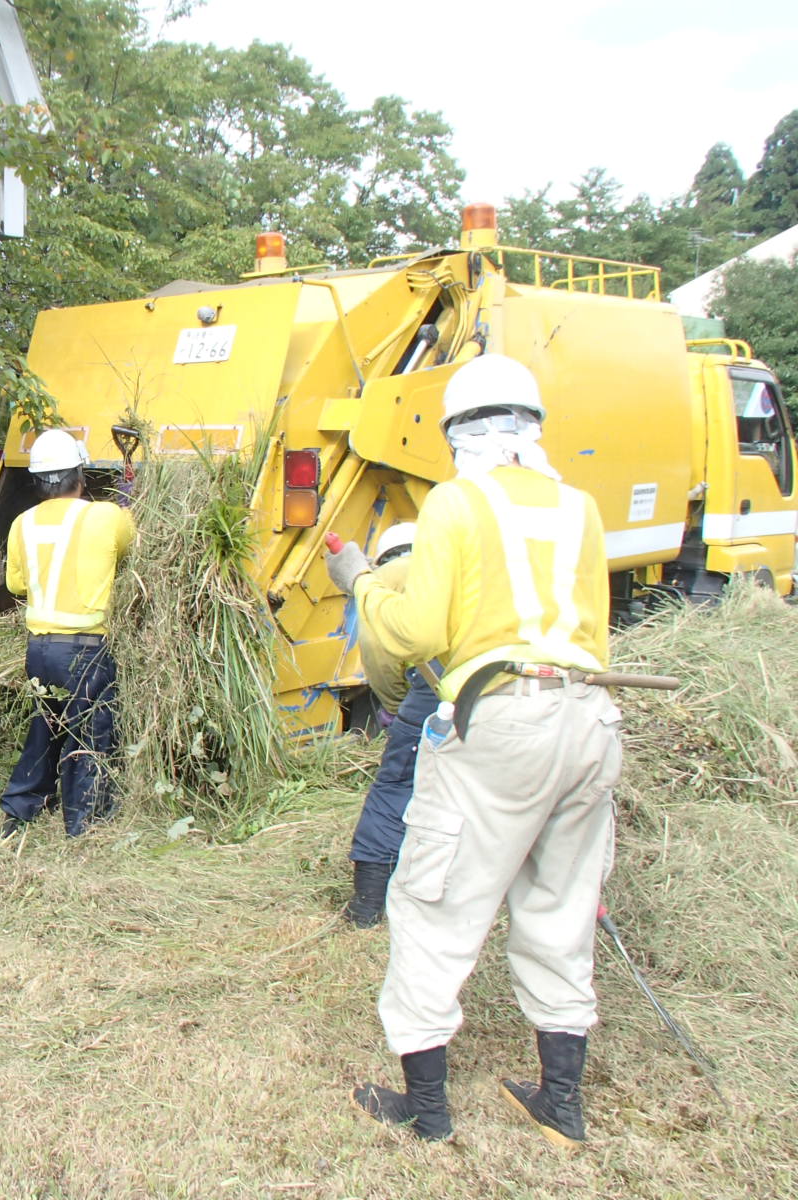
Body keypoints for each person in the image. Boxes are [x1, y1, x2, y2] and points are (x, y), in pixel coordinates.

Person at [324, 354, 622, 1147]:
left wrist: (363, 585)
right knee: (560, 910)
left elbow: (418, 634)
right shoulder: (581, 507)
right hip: (590, 719)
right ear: (534, 426)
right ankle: (560, 1103)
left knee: (433, 906)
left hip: (502, 721)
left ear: (457, 434)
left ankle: (427, 1111)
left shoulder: (458, 503)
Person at [0, 428, 135, 839]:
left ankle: (18, 813)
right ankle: (84, 825)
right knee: (90, 734)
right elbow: (131, 544)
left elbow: (16, 586)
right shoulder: (105, 516)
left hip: (39, 651)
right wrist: (129, 494)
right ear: (81, 474)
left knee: (47, 726)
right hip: (86, 651)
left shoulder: (22, 524)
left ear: (38, 481)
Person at [344, 522, 440, 929]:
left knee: (397, 784)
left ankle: (367, 906)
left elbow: (380, 654)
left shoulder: (388, 578)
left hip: (438, 685)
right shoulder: (453, 565)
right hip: (502, 686)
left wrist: (397, 707)